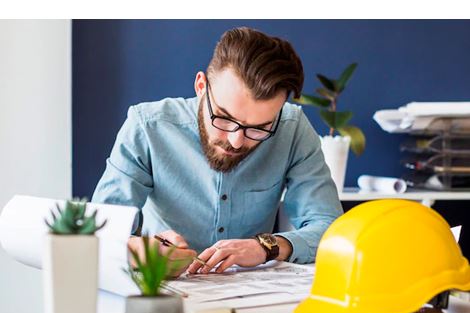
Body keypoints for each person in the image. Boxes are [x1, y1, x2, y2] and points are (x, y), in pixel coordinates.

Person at [92, 27, 343, 276]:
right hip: (162, 292)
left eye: (259, 128)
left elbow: (331, 228)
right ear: (201, 86)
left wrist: (266, 247)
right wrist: (138, 249)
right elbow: (100, 230)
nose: (235, 141)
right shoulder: (147, 125)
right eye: (223, 118)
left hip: (255, 295)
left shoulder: (293, 128)